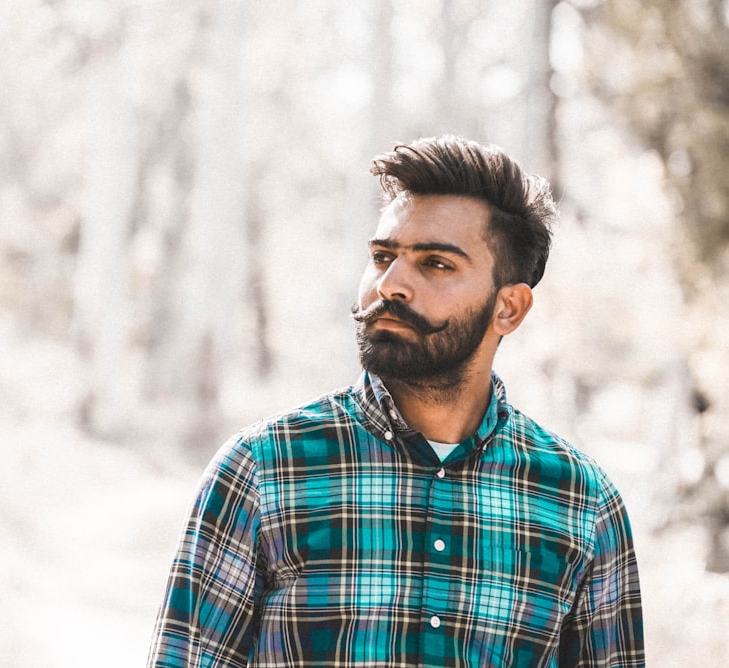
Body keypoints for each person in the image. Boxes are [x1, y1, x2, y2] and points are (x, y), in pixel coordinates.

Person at [147, 135, 644, 667]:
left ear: (510, 309)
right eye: (383, 256)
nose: (391, 285)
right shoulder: (262, 470)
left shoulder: (583, 504)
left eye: (436, 264)